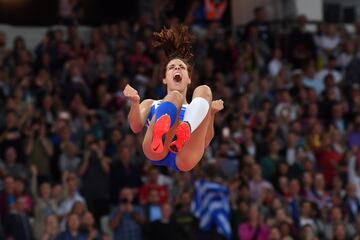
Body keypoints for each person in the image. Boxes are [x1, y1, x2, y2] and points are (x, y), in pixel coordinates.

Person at [123, 25, 224, 172]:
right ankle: (163, 132)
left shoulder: (196, 107)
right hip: (157, 148)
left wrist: (211, 114)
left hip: (185, 153)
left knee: (205, 90)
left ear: (189, 79)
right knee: (174, 97)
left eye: (181, 67)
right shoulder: (150, 103)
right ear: (164, 79)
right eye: (172, 67)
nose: (177, 68)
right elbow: (135, 126)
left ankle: (185, 130)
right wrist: (134, 102)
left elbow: (205, 141)